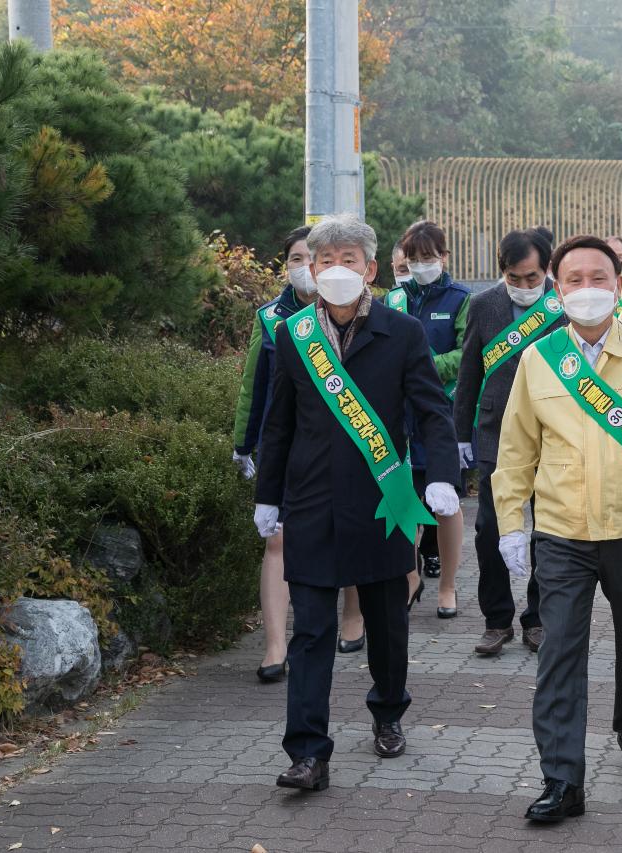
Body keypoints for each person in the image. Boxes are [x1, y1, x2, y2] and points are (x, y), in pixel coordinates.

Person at [493, 235, 622, 823]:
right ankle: (562, 780)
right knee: (558, 650)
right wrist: (513, 524)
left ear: (619, 284)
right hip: (562, 533)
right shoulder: (539, 359)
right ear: (558, 290)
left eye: (598, 278)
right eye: (574, 280)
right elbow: (515, 452)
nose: (587, 289)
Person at [254, 214, 462, 791]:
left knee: (387, 623)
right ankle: (307, 753)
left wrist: (441, 476)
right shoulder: (294, 336)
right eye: (325, 261)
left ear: (371, 269)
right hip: (312, 501)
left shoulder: (402, 332)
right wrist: (267, 495)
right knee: (312, 629)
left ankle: (388, 712)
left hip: (383, 499)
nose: (337, 270)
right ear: (310, 269)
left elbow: (431, 411)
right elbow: (279, 425)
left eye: (350, 260)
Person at [232, 225, 366, 679]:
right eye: (297, 258)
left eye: (332, 258)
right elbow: (254, 386)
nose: (311, 266)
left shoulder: (369, 314)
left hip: (354, 445)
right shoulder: (273, 319)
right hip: (289, 446)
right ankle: (274, 646)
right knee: (278, 540)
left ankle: (352, 616)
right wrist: (242, 443)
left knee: (350, 531)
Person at [453, 229, 566, 657]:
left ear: (547, 270)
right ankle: (496, 619)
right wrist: (460, 434)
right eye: (512, 277)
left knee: (548, 529)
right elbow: (469, 376)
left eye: (530, 277)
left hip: (553, 433)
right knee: (489, 529)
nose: (522, 286)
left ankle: (537, 618)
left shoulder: (564, 304)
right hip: (495, 431)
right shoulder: (483, 305)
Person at [391, 220, 470, 619]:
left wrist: (421, 366)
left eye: (429, 258)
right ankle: (409, 577)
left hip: (441, 415)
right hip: (398, 418)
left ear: (444, 257)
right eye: (414, 259)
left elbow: (467, 353)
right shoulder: (393, 299)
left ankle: (448, 586)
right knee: (404, 502)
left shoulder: (461, 299)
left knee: (445, 504)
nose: (422, 265)